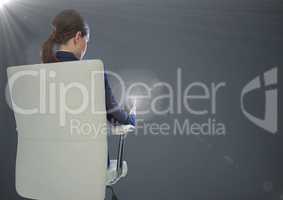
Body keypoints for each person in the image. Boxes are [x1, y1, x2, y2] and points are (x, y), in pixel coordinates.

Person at [41, 9, 136, 167]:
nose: (86, 47)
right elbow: (116, 117)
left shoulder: (36, 74)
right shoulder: (93, 72)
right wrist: (132, 115)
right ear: (78, 37)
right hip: (88, 166)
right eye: (87, 41)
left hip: (49, 166)